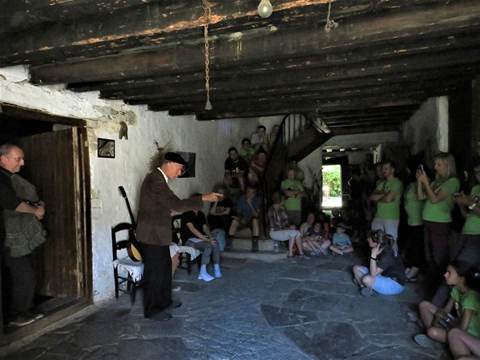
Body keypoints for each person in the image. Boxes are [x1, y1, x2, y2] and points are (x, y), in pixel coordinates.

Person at [136, 152, 220, 321]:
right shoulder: (155, 180)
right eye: (179, 169)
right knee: (155, 274)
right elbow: (177, 204)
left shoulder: (159, 179)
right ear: (170, 163)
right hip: (152, 235)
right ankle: (152, 310)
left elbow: (164, 206)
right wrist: (202, 197)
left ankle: (164, 301)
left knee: (165, 269)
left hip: (159, 233)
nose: (179, 174)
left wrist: (170, 211)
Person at [0, 144, 46, 327]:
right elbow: (13, 203)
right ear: (3, 159)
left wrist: (37, 205)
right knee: (23, 275)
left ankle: (25, 309)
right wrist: (35, 211)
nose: (23, 162)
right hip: (7, 238)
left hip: (13, 237)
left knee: (24, 274)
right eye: (18, 158)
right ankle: (16, 314)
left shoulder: (9, 177)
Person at [417, 152, 460, 297]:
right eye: (435, 164)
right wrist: (420, 182)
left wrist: (427, 183)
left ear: (448, 166)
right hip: (428, 222)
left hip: (440, 223)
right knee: (429, 257)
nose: (435, 167)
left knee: (439, 258)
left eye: (438, 164)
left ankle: (440, 292)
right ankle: (431, 289)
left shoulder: (452, 182)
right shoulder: (437, 181)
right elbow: (421, 196)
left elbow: (435, 200)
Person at [414, 260, 480, 348]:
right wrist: (436, 320)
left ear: (462, 278)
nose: (445, 275)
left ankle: (435, 335)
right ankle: (434, 332)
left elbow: (462, 329)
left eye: (449, 273)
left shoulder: (470, 297)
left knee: (432, 332)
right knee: (424, 305)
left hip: (467, 335)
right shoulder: (456, 289)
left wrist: (446, 318)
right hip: (456, 323)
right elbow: (445, 310)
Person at [352, 229, 406, 296]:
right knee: (356, 268)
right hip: (383, 274)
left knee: (366, 279)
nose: (368, 240)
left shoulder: (386, 255)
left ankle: (365, 284)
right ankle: (364, 287)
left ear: (376, 243)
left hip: (395, 284)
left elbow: (373, 274)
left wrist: (373, 256)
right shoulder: (381, 248)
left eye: (370, 239)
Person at [402, 157, 427, 282]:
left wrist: (420, 181)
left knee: (418, 247)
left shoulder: (422, 183)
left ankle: (415, 270)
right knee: (413, 246)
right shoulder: (411, 184)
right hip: (411, 220)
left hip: (419, 220)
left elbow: (421, 197)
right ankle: (411, 267)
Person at [369, 160, 403, 252]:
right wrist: (385, 194)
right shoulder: (381, 183)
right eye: (383, 168)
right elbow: (372, 196)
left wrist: (380, 196)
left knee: (391, 240)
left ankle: (395, 261)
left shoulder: (397, 183)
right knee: (375, 238)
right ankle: (377, 260)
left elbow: (388, 199)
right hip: (379, 215)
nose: (383, 170)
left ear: (392, 170)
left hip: (391, 217)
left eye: (386, 168)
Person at [182, 207, 222, 281]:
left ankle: (216, 266)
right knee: (208, 245)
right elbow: (193, 229)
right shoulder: (187, 214)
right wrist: (207, 240)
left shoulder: (201, 214)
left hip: (200, 238)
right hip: (189, 239)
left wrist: (210, 237)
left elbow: (204, 228)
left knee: (215, 242)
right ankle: (202, 272)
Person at [268, 191, 309, 263]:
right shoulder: (272, 210)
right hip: (275, 232)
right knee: (293, 233)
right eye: (284, 199)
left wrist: (290, 226)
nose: (285, 201)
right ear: (280, 200)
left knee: (297, 232)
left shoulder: (283, 208)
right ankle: (290, 254)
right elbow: (274, 226)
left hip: (284, 230)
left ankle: (301, 253)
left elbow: (288, 220)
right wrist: (288, 228)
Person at [227, 186, 261, 252]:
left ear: (255, 194)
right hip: (243, 218)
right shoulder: (241, 199)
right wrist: (241, 218)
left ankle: (255, 243)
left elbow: (256, 214)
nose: (250, 194)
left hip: (251, 219)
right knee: (234, 221)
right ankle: (229, 241)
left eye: (252, 193)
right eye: (248, 192)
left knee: (255, 221)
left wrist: (250, 204)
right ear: (246, 192)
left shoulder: (257, 200)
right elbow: (238, 212)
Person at [207, 187, 233, 251]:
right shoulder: (214, 201)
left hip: (224, 217)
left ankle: (223, 231)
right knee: (210, 217)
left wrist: (216, 214)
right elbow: (211, 212)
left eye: (221, 193)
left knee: (224, 217)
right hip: (217, 217)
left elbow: (227, 212)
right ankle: (215, 231)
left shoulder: (228, 200)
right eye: (218, 193)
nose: (219, 195)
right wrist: (216, 202)